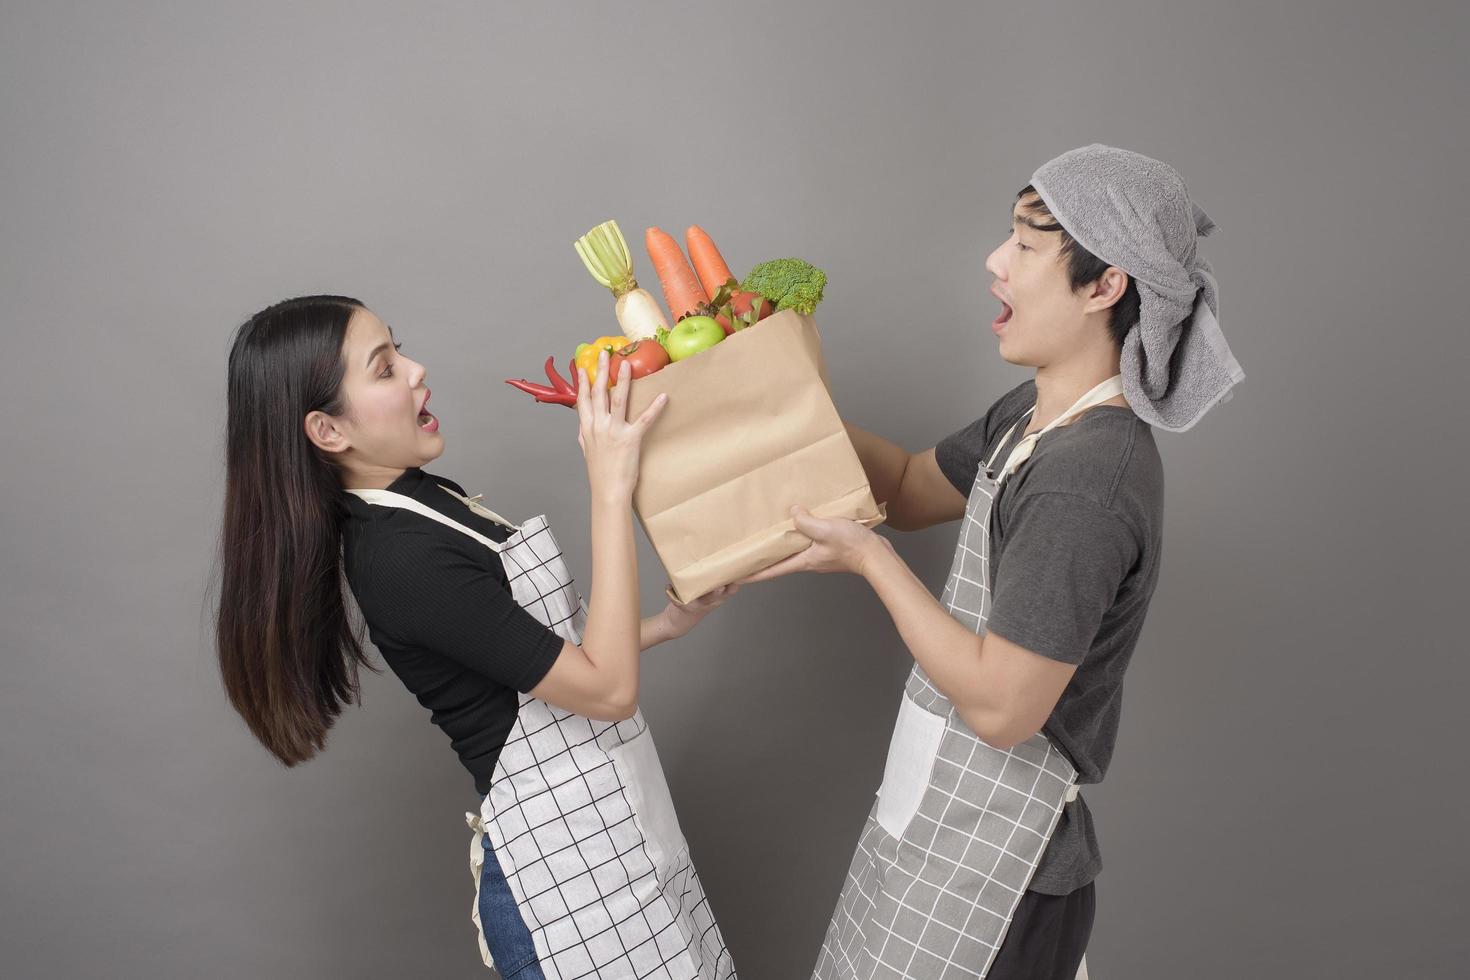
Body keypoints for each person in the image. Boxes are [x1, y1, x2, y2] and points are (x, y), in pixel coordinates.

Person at [741, 145, 1244, 979]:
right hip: (941, 826)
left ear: (1103, 285)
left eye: (1024, 243)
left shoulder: (1087, 480)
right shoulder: (1033, 415)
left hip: (1006, 874)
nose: (994, 261)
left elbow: (1005, 709)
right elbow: (905, 487)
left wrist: (871, 562)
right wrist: (792, 395)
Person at [215, 295, 740, 979]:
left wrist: (667, 624)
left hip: (614, 844)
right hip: (568, 888)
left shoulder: (427, 499)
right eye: (383, 369)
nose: (415, 369)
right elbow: (606, 690)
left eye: (398, 351)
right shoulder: (400, 558)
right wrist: (610, 489)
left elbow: (541, 655)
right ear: (327, 431)